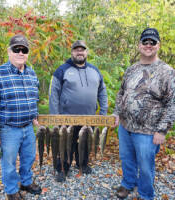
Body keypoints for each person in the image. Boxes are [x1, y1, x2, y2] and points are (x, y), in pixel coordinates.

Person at [112, 28, 175, 200]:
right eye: (145, 42)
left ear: (158, 45)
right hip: (125, 127)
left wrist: (162, 130)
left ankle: (146, 195)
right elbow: (121, 93)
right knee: (126, 160)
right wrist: (117, 113)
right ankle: (127, 184)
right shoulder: (131, 69)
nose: (148, 45)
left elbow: (172, 103)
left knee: (146, 166)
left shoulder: (167, 72)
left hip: (148, 131)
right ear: (139, 45)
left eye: (152, 42)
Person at [0, 35, 41, 200]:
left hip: (28, 128)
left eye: (24, 49)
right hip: (8, 130)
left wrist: (34, 115)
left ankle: (26, 182)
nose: (20, 52)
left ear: (28, 53)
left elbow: (34, 98)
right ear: (9, 51)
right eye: (16, 49)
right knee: (8, 164)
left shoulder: (31, 73)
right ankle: (11, 190)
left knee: (28, 159)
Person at [49, 40, 108, 182]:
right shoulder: (62, 70)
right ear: (72, 52)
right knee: (65, 144)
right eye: (76, 50)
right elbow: (54, 94)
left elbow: (102, 91)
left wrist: (103, 113)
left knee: (85, 143)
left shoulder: (95, 70)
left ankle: (83, 164)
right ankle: (62, 168)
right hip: (67, 117)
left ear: (86, 52)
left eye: (82, 50)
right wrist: (55, 117)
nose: (79, 52)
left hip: (89, 117)